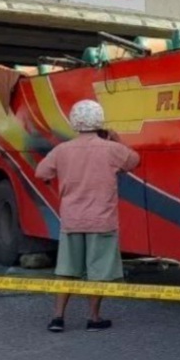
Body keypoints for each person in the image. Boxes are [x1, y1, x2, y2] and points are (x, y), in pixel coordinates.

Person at [37, 100, 139, 333]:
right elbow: (134, 161)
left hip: (72, 220)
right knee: (97, 272)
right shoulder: (111, 149)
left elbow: (41, 172)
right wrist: (116, 139)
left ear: (74, 122)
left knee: (66, 270)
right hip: (101, 221)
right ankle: (93, 318)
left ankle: (57, 318)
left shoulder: (62, 150)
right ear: (99, 121)